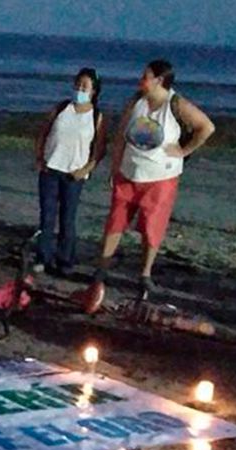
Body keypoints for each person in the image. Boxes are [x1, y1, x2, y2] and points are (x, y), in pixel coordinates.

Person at [94, 60, 214, 295]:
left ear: (160, 80)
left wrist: (183, 150)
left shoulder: (175, 104)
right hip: (130, 172)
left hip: (161, 176)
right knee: (115, 222)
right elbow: (120, 134)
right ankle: (102, 269)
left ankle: (145, 273)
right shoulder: (137, 100)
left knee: (151, 226)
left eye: (146, 75)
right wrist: (115, 167)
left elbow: (206, 127)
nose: (142, 79)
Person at [33, 67, 106, 277]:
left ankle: (65, 260)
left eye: (84, 86)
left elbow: (100, 150)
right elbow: (43, 132)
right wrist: (39, 158)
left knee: (68, 218)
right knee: (47, 216)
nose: (79, 89)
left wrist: (85, 170)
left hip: (74, 175)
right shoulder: (62, 108)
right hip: (51, 168)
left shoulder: (97, 117)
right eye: (77, 85)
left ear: (93, 91)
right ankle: (43, 257)